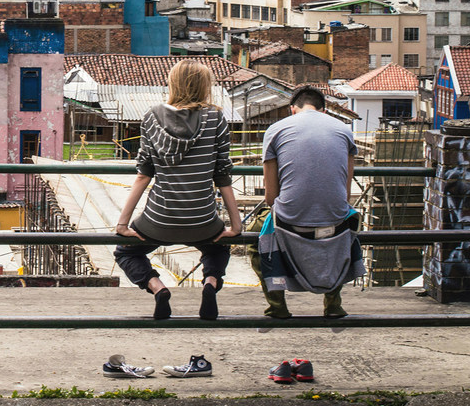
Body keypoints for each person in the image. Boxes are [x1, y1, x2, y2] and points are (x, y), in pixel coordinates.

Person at [114, 60, 242, 321]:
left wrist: (122, 224)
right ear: (204, 86)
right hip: (202, 219)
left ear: (173, 84)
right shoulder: (215, 118)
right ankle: (210, 283)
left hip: (158, 219)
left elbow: (143, 176)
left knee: (125, 251)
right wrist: (236, 225)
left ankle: (157, 287)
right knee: (218, 248)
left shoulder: (151, 117)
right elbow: (223, 176)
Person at [253, 85, 362, 319]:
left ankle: (277, 306)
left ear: (293, 110)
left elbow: (270, 197)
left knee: (256, 241)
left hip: (290, 223)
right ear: (324, 111)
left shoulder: (275, 129)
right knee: (349, 222)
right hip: (336, 222)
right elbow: (346, 193)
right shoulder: (344, 130)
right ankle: (333, 304)